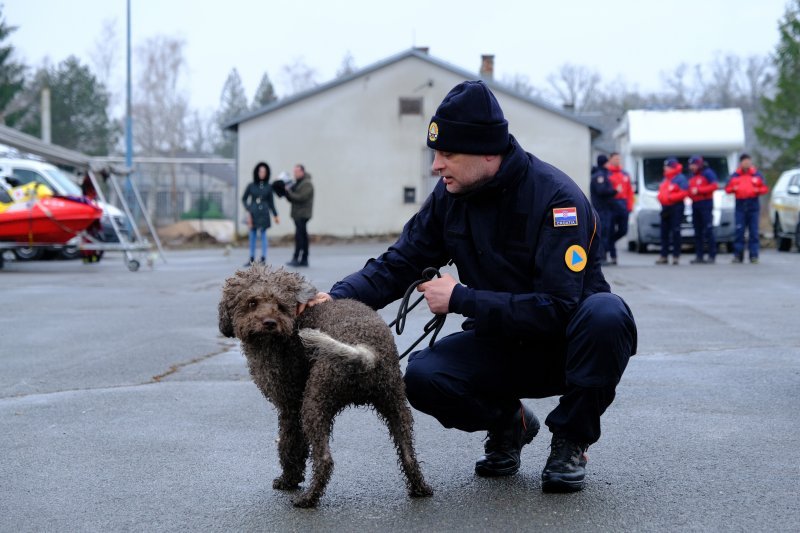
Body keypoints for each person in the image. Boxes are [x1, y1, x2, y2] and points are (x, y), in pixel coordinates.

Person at [301, 81, 637, 493]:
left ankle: (571, 439)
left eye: (448, 154)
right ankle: (509, 424)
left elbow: (558, 307)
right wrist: (336, 297)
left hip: (565, 349)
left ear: (487, 152)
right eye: (435, 154)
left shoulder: (557, 200)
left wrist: (461, 298)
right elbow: (401, 262)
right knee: (423, 376)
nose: (436, 166)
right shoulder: (450, 197)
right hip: (501, 343)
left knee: (607, 314)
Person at [725, 154, 769, 264]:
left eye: (748, 161)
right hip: (740, 206)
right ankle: (738, 255)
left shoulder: (757, 175)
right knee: (739, 231)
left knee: (753, 232)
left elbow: (764, 188)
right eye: (745, 161)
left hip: (753, 205)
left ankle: (754, 256)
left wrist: (756, 190)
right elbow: (727, 188)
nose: (747, 163)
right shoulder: (735, 175)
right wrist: (734, 189)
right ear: (741, 163)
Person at [242, 162, 279, 266]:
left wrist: (276, 215)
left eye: (264, 172)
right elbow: (244, 199)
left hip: (264, 213)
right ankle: (251, 258)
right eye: (260, 171)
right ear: (257, 172)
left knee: (263, 235)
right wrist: (248, 208)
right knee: (252, 235)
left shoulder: (268, 186)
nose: (262, 173)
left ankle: (263, 258)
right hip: (253, 212)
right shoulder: (251, 185)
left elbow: (271, 202)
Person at [656, 158, 689, 265]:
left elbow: (684, 192)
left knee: (675, 231)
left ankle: (676, 255)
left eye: (667, 167)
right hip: (665, 207)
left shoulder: (680, 178)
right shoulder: (666, 179)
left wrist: (671, 197)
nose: (665, 169)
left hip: (676, 207)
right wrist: (661, 198)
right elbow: (661, 191)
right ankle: (664, 255)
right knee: (664, 232)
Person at [687, 156, 719, 264]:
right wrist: (690, 193)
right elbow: (690, 189)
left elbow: (714, 186)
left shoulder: (707, 173)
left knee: (708, 229)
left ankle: (711, 255)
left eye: (693, 165)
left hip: (705, 203)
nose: (691, 167)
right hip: (695, 204)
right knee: (697, 231)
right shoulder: (692, 176)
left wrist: (700, 190)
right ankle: (699, 255)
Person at [605, 153, 634, 265]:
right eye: (615, 159)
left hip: (623, 204)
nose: (617, 160)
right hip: (612, 204)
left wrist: (630, 206)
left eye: (619, 159)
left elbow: (630, 192)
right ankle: (613, 256)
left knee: (623, 230)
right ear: (610, 160)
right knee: (610, 229)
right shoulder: (607, 174)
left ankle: (609, 243)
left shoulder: (625, 174)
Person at [283, 164, 314, 267]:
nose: (294, 174)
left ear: (302, 172)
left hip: (303, 214)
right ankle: (303, 259)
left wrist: (289, 192)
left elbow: (300, 198)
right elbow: (292, 198)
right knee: (302, 236)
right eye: (294, 172)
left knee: (300, 237)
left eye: (296, 172)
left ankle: (298, 259)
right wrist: (286, 193)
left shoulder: (307, 184)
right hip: (297, 214)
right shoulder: (298, 183)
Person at [589, 154, 617, 265]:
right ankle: (601, 257)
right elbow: (601, 191)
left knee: (605, 232)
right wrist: (614, 191)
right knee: (602, 232)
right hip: (601, 208)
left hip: (604, 208)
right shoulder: (599, 175)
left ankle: (603, 256)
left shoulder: (603, 174)